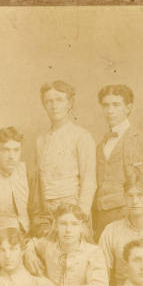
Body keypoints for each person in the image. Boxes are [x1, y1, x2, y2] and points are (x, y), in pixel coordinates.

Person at [93, 84, 143, 239]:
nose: (110, 110)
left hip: (132, 217)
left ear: (128, 108)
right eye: (106, 105)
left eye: (116, 105)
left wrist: (142, 215)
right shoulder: (100, 145)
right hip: (101, 218)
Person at [34, 81, 96, 232]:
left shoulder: (81, 136)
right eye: (49, 101)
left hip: (73, 209)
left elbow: (89, 179)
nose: (54, 106)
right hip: (48, 213)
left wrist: (80, 215)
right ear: (44, 105)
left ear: (70, 103)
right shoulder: (41, 140)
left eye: (59, 100)